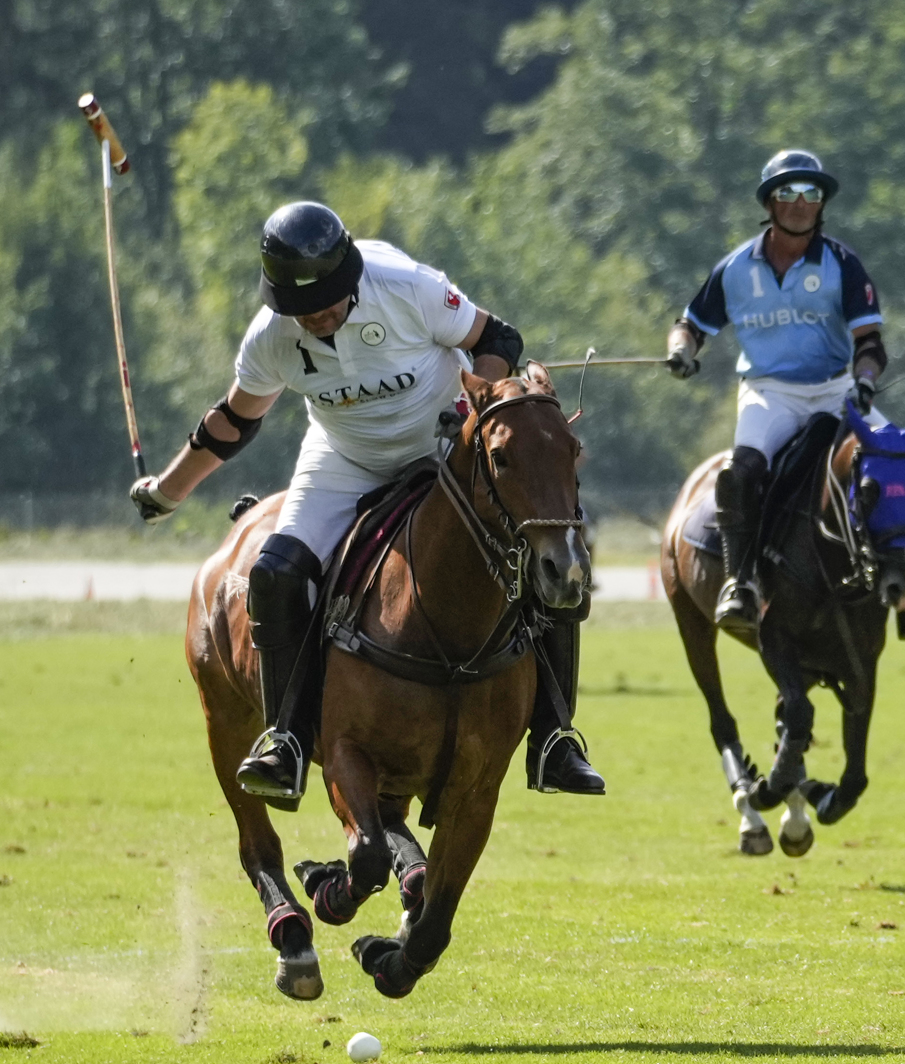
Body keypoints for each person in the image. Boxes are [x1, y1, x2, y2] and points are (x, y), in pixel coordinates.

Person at [130, 201, 604, 805]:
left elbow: (499, 339)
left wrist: (466, 413)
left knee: (550, 559)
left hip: (443, 453)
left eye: (328, 300)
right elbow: (232, 423)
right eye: (302, 310)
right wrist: (168, 490)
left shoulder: (406, 287)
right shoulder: (272, 337)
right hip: (344, 458)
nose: (319, 317)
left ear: (351, 276)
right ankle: (288, 740)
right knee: (276, 574)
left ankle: (554, 738)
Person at [666, 149, 905, 640]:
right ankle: (740, 583)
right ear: (770, 202)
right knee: (740, 474)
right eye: (788, 192)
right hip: (769, 393)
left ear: (821, 204)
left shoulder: (844, 264)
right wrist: (681, 351)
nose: (801, 202)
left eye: (811, 193)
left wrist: (864, 381)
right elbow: (691, 325)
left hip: (835, 390)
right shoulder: (736, 268)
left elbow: (869, 344)